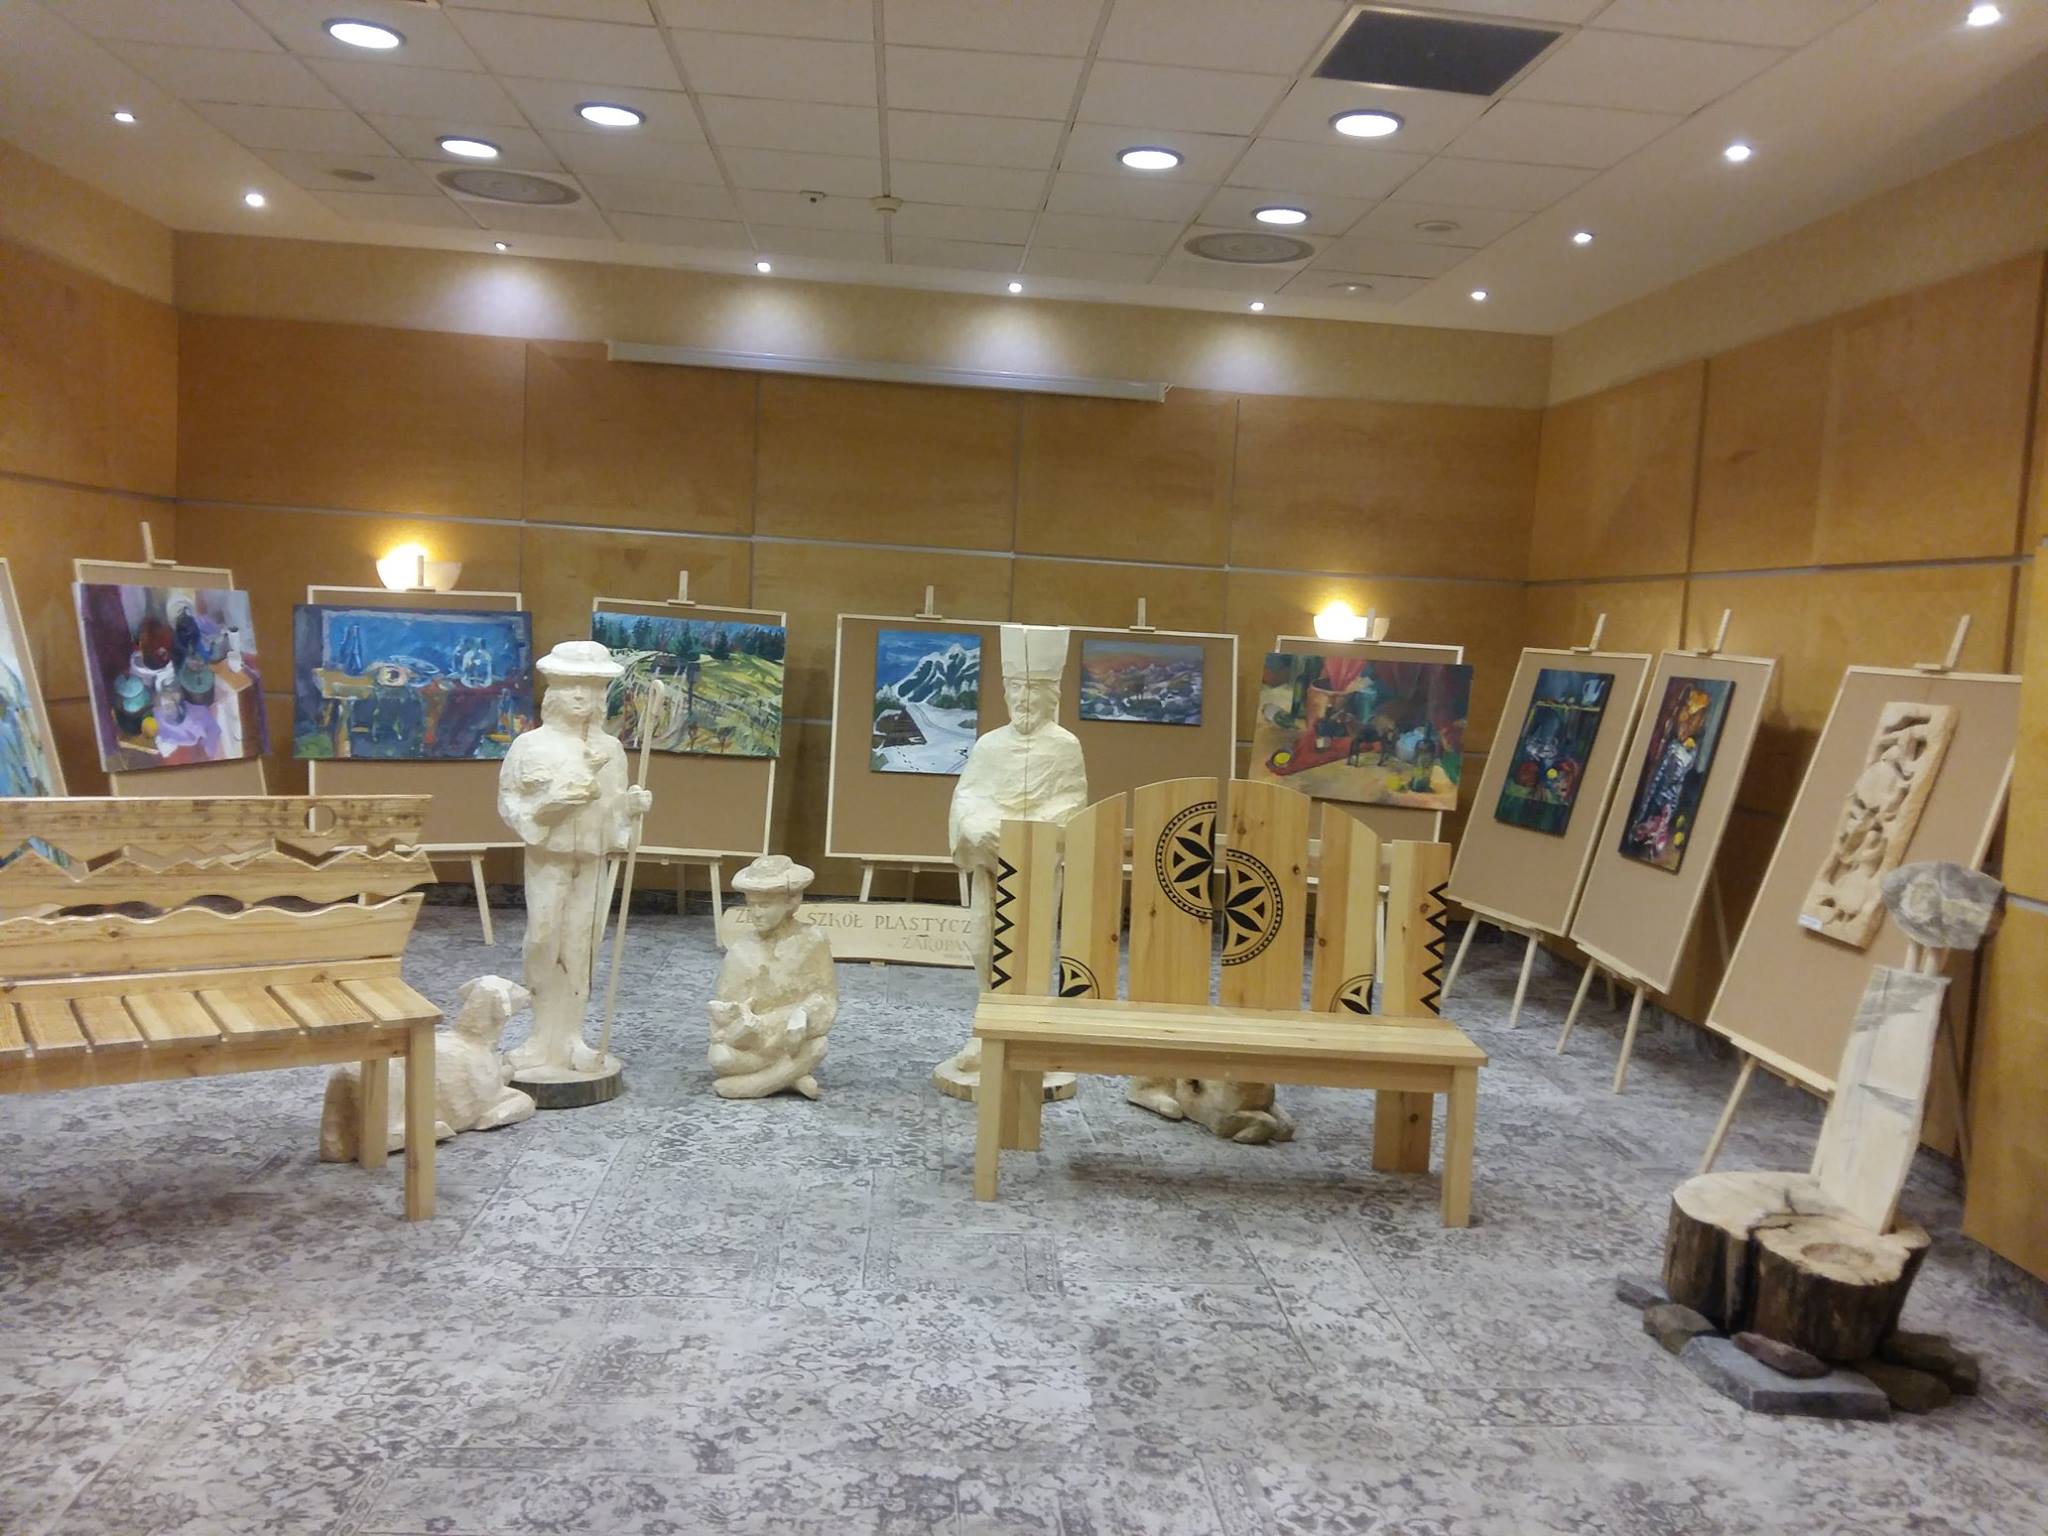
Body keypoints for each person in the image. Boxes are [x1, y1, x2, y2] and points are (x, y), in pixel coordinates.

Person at [932, 625, 1088, 1098]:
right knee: (985, 944)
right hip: (992, 867)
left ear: (1051, 694)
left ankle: (1028, 1036)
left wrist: (1032, 829)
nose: (1023, 699)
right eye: (1016, 688)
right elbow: (968, 796)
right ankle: (988, 1032)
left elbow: (1072, 804)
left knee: (1032, 948)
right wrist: (976, 825)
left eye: (1032, 689)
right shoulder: (989, 745)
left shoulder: (1065, 746)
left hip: (1037, 869)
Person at [496, 640, 651, 1076]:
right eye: (572, 686)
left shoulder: (612, 750)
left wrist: (630, 810)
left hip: (592, 861)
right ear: (554, 691)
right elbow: (509, 801)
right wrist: (549, 808)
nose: (582, 696)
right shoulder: (530, 746)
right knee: (543, 938)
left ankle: (572, 1039)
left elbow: (616, 813)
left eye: (594, 687)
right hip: (549, 859)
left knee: (582, 947)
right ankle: (539, 1037)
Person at [706, 855, 838, 1099]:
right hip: (753, 1046)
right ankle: (790, 1076)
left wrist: (802, 1013)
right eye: (751, 905)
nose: (755, 913)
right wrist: (735, 1019)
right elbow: (723, 1018)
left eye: (765, 905)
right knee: (719, 1058)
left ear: (792, 901)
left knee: (818, 1045)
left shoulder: (813, 941)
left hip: (792, 1042)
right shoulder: (741, 950)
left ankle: (755, 1084)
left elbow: (826, 999)